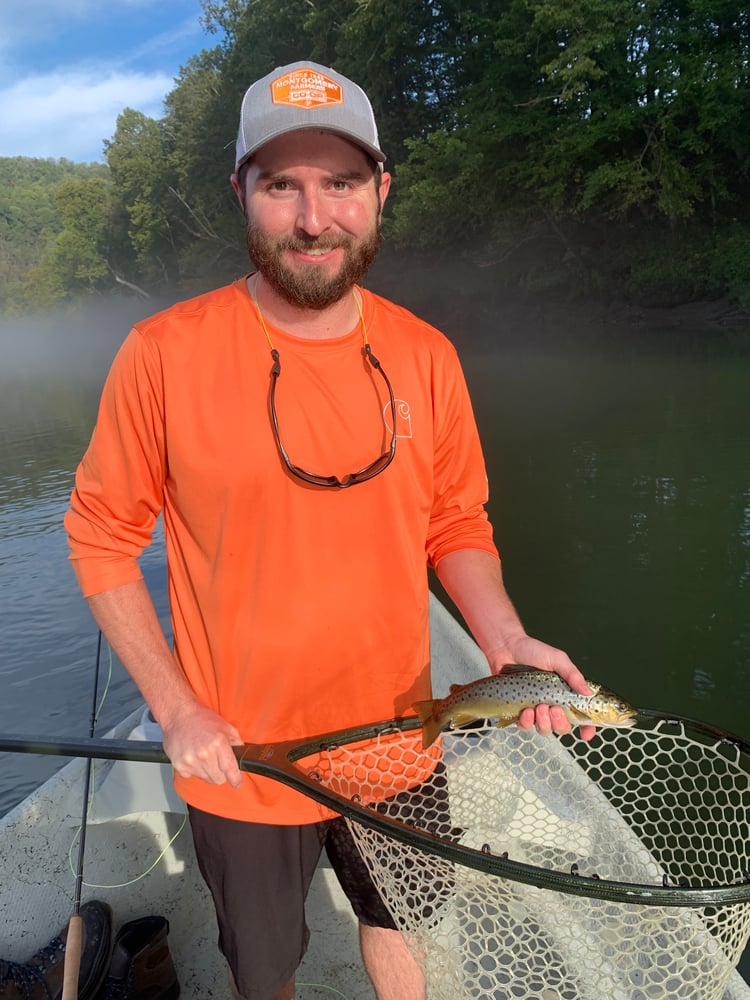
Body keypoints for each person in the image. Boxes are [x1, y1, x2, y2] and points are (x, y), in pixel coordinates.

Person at [65, 61, 594, 1000]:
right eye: (283, 186)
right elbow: (104, 535)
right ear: (243, 192)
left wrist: (504, 638)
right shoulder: (163, 353)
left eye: (342, 183)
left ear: (380, 191)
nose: (315, 220)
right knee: (265, 970)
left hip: (401, 736)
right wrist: (178, 706)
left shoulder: (427, 354)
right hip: (247, 755)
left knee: (408, 933)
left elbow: (454, 517)